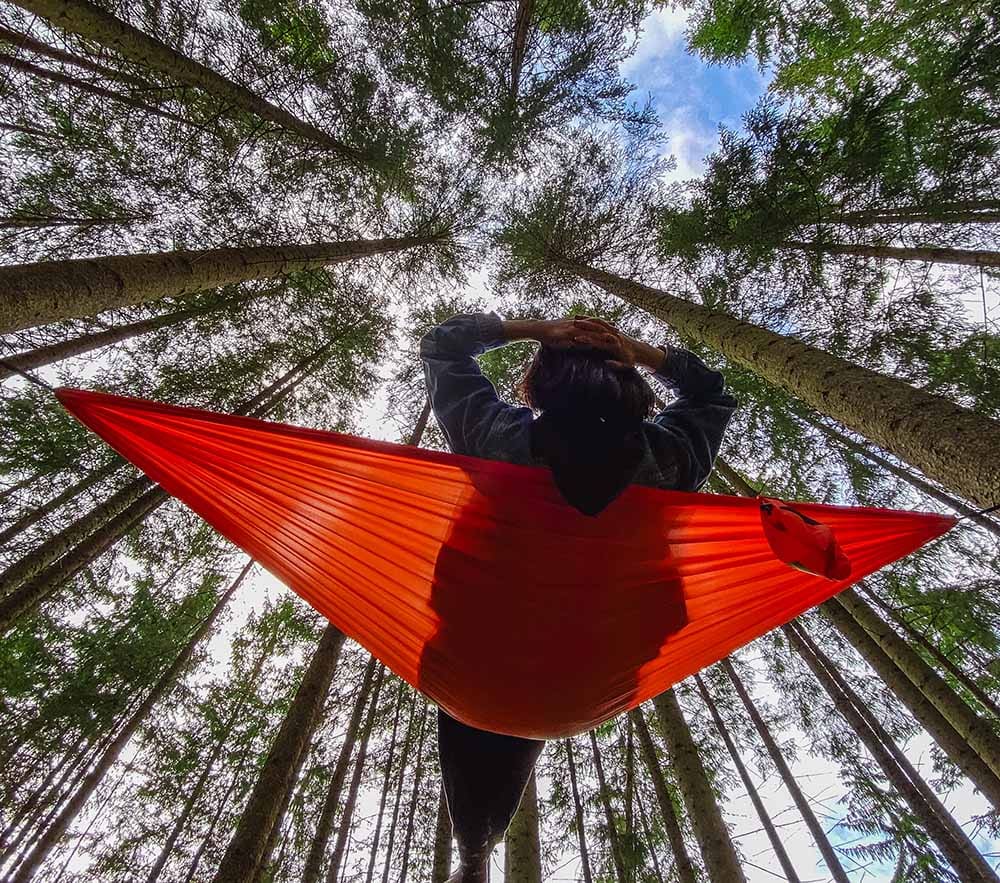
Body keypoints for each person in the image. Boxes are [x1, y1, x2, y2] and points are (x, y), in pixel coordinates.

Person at [420, 312, 736, 882]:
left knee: (475, 736)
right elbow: (711, 392)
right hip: (581, 692)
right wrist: (642, 352)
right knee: (522, 730)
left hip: (473, 666)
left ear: (540, 385)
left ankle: (471, 854)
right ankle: (475, 854)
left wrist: (532, 330)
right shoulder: (669, 460)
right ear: (634, 389)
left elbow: (444, 346)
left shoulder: (500, 439)